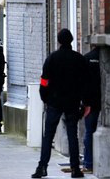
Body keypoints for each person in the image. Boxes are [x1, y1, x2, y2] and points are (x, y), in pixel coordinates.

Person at [31, 28, 88, 178]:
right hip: (72, 102)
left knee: (48, 135)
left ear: (58, 41)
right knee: (72, 135)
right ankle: (75, 169)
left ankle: (42, 167)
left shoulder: (52, 59)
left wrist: (45, 99)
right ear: (72, 40)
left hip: (54, 102)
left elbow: (44, 82)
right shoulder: (79, 59)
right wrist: (84, 102)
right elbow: (85, 83)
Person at [82, 46, 101, 173]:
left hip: (91, 103)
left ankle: (88, 163)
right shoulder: (103, 57)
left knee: (89, 132)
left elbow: (83, 83)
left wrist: (85, 103)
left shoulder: (87, 58)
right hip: (105, 101)